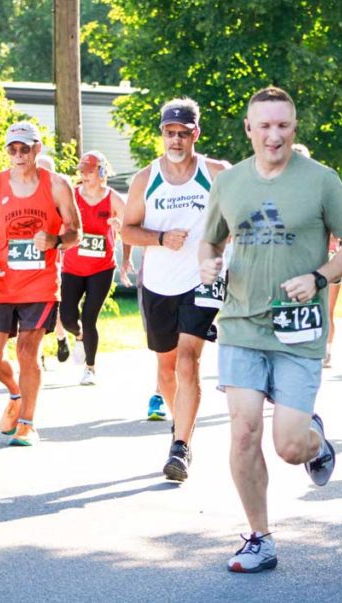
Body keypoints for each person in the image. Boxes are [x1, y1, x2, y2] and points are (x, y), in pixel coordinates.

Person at [199, 86, 342, 573]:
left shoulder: (320, 181)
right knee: (244, 431)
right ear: (248, 130)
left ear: (295, 128)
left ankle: (314, 438)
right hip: (240, 325)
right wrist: (209, 266)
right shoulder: (228, 183)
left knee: (289, 447)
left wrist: (319, 277)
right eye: (265, 126)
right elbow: (208, 244)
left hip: (298, 329)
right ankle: (260, 537)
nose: (274, 136)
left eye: (284, 126)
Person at [122, 97, 230, 482]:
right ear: (162, 135)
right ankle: (179, 423)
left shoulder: (217, 173)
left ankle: (180, 448)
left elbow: (241, 219)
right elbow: (127, 229)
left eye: (184, 133)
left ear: (195, 134)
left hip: (203, 279)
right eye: (170, 133)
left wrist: (223, 250)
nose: (176, 140)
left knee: (188, 361)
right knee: (166, 370)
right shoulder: (145, 179)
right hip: (158, 283)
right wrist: (161, 237)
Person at [0, 121, 81, 446]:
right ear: (7, 151)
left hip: (40, 283)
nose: (19, 155)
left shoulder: (57, 185)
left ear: (37, 149)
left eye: (25, 148)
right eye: (13, 149)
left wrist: (55, 240)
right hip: (3, 283)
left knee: (26, 351)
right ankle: (15, 393)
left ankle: (27, 423)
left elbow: (75, 233)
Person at [60, 151, 131, 385]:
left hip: (101, 268)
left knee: (90, 317)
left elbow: (129, 228)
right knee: (68, 317)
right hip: (72, 266)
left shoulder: (113, 198)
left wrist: (124, 256)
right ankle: (78, 336)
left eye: (89, 171)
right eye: (82, 171)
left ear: (101, 173)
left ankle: (90, 367)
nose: (85, 176)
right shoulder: (73, 196)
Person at [291, 144, 342, 368]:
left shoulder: (322, 190)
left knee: (326, 310)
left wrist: (334, 242)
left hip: (327, 264)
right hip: (295, 265)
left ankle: (326, 350)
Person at [35, 152, 71, 365]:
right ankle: (36, 356)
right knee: (29, 311)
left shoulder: (59, 196)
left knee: (52, 308)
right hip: (25, 265)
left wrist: (59, 241)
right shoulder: (20, 192)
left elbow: (72, 230)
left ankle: (61, 337)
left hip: (52, 261)